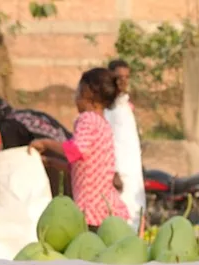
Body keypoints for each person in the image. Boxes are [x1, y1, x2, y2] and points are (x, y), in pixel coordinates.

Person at [28, 68, 128, 229]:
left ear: (88, 94)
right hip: (106, 208)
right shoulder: (102, 124)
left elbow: (74, 151)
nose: (75, 98)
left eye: (78, 92)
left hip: (92, 211)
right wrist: (51, 162)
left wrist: (47, 144)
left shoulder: (87, 119)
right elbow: (82, 166)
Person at [104, 59, 146, 231]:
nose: (123, 81)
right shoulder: (108, 108)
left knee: (136, 215)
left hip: (133, 171)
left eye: (126, 77)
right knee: (122, 219)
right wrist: (113, 172)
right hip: (119, 174)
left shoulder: (125, 105)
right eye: (118, 77)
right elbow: (107, 141)